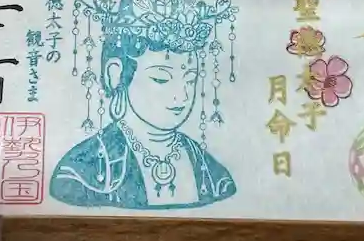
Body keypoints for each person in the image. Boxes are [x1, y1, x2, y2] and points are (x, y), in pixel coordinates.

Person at [49, 47, 237, 210]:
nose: (182, 96)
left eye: (190, 80)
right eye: (161, 79)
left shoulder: (210, 172)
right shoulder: (80, 171)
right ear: (116, 75)